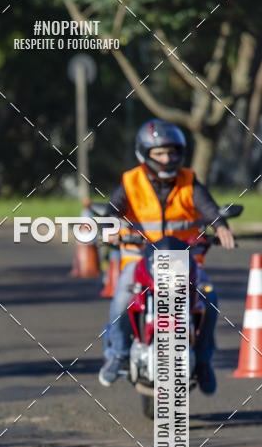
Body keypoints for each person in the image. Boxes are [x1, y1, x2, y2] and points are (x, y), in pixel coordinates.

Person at [98, 119, 235, 395]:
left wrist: (220, 226)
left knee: (209, 297)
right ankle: (119, 355)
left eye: (171, 152)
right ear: (145, 154)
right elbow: (111, 212)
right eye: (159, 153)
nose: (167, 158)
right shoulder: (130, 181)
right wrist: (110, 228)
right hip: (138, 258)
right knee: (124, 295)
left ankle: (205, 361)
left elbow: (208, 208)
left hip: (183, 260)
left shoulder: (188, 180)